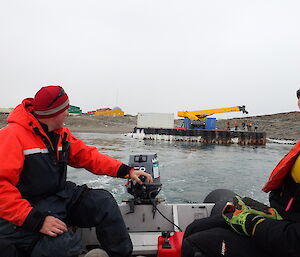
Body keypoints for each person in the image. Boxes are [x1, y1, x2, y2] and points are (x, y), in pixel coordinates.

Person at [0, 86, 153, 257]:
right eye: (65, 109)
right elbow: (1, 187)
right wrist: (36, 220)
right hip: (26, 209)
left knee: (103, 202)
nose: (67, 113)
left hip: (58, 197)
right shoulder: (12, 136)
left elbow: (88, 156)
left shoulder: (60, 134)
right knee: (64, 245)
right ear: (54, 112)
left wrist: (126, 171)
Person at [181, 88, 300, 257]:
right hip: (282, 220)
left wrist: (253, 223)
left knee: (195, 244)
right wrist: (267, 215)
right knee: (196, 227)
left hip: (286, 241)